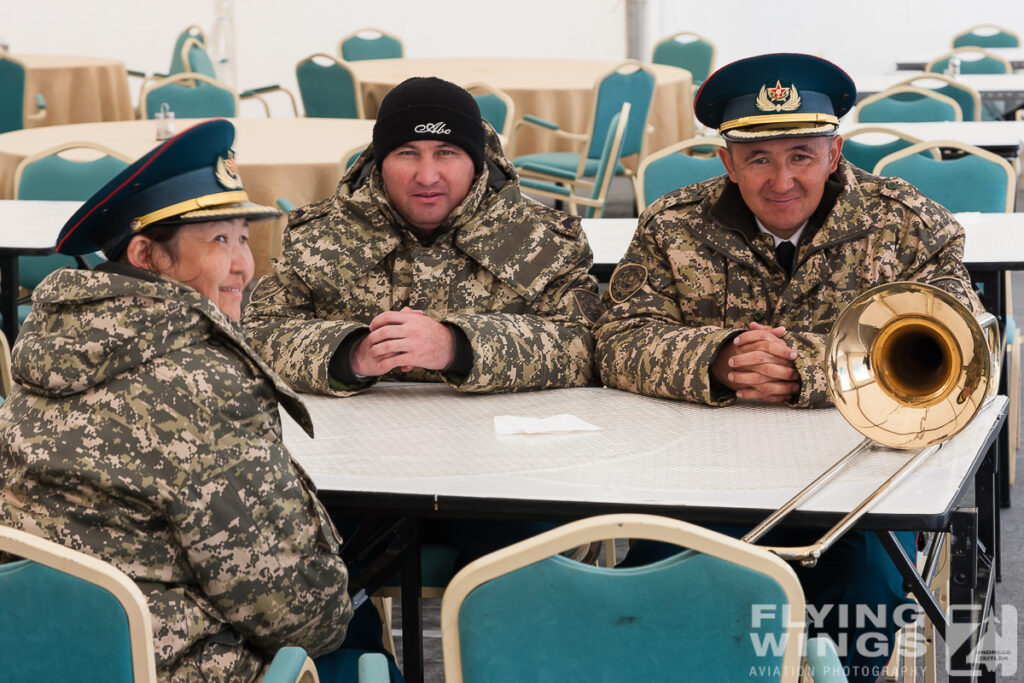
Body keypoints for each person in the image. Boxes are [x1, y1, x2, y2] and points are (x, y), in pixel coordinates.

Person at [594, 54, 985, 683]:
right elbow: (615, 339)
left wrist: (808, 368)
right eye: (759, 158)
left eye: (801, 154)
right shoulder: (672, 226)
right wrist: (715, 359)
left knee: (857, 608)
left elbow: (957, 341)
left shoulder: (907, 222)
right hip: (696, 479)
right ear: (726, 162)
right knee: (644, 608)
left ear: (834, 155)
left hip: (852, 488)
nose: (782, 180)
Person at [0, 120, 400, 682]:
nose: (244, 264)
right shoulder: (202, 383)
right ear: (145, 254)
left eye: (242, 237)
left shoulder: (52, 346)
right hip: (171, 666)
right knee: (359, 643)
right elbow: (292, 612)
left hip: (40, 656)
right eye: (219, 240)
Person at [242, 76, 601, 397]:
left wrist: (456, 346)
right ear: (380, 162)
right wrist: (351, 354)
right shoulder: (321, 236)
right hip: (353, 444)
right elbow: (258, 334)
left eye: (447, 153)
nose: (427, 176)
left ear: (476, 163)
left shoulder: (541, 240)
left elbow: (586, 346)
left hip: (496, 444)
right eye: (407, 154)